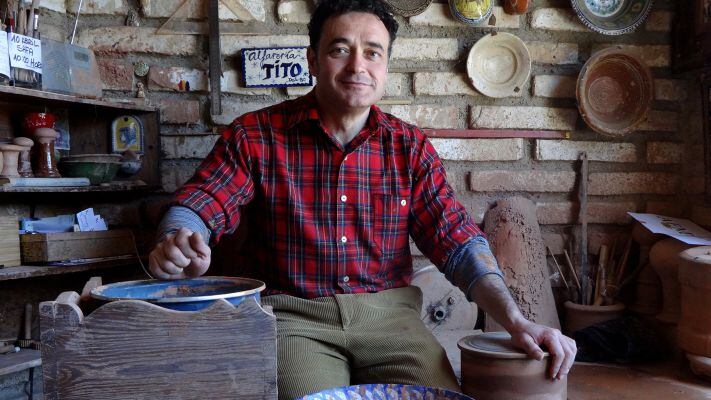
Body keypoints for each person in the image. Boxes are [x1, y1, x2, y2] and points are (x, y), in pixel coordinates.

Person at [149, 1, 576, 398]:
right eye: (340, 49)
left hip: (392, 319)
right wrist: (179, 238)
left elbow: (458, 241)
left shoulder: (408, 146)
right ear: (313, 60)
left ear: (386, 65)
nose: (358, 66)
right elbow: (201, 201)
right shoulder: (256, 135)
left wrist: (515, 319)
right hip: (294, 318)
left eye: (373, 52)